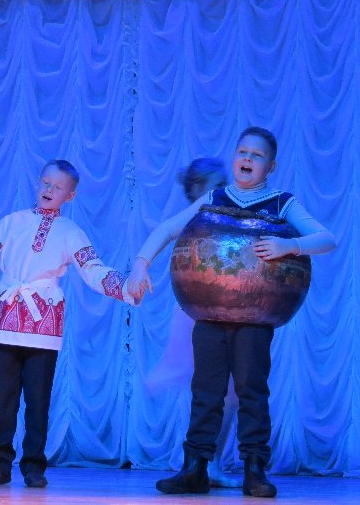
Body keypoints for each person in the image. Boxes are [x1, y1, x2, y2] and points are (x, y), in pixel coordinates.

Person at [128, 127, 337, 497]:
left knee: (250, 390)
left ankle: (255, 469)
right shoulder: (215, 197)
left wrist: (290, 246)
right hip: (209, 313)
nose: (247, 159)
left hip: (255, 317)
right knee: (205, 391)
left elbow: (327, 239)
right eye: (243, 152)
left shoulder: (281, 203)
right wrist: (141, 263)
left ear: (270, 166)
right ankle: (195, 467)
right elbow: (170, 228)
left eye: (257, 155)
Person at [0, 159, 140, 489]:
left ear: (70, 195)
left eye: (58, 187)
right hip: (5, 318)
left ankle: (34, 465)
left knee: (38, 401)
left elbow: (92, 269)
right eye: (45, 183)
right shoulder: (11, 222)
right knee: (3, 399)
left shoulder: (71, 232)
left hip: (44, 322)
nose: (49, 190)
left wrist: (126, 286)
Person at [143, 157, 240, 488]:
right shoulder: (197, 217)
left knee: (231, 393)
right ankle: (197, 463)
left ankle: (211, 464)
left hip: (226, 310)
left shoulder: (230, 216)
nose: (224, 191)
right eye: (217, 185)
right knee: (209, 390)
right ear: (198, 189)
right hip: (199, 312)